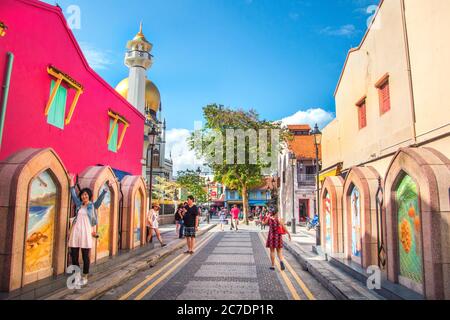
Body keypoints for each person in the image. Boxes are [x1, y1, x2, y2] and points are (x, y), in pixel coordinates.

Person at [68, 174, 110, 286]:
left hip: (86, 232)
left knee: (85, 256)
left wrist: (105, 190)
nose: (84, 196)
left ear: (89, 196)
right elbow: (73, 194)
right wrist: (71, 181)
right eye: (82, 195)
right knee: (74, 255)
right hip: (76, 232)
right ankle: (77, 275)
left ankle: (85, 275)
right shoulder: (78, 205)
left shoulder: (92, 206)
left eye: (86, 195)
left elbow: (99, 201)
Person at [263, 206, 291, 271]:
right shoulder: (278, 218)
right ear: (276, 212)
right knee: (279, 251)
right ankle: (281, 261)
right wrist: (288, 233)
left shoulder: (269, 218)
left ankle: (273, 266)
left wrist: (268, 216)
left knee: (272, 251)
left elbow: (264, 223)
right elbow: (283, 227)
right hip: (278, 236)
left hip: (271, 236)